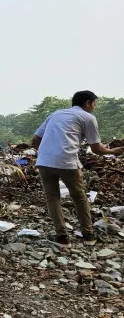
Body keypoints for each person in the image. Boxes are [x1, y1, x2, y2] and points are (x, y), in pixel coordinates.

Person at [31, 90, 124, 248]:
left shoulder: (55, 114)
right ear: (87, 102)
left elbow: (35, 140)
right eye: (94, 104)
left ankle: (62, 237)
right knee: (79, 198)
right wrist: (113, 151)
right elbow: (96, 148)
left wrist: (49, 151)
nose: (94, 107)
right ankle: (88, 235)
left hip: (44, 162)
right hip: (67, 162)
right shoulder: (88, 117)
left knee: (52, 198)